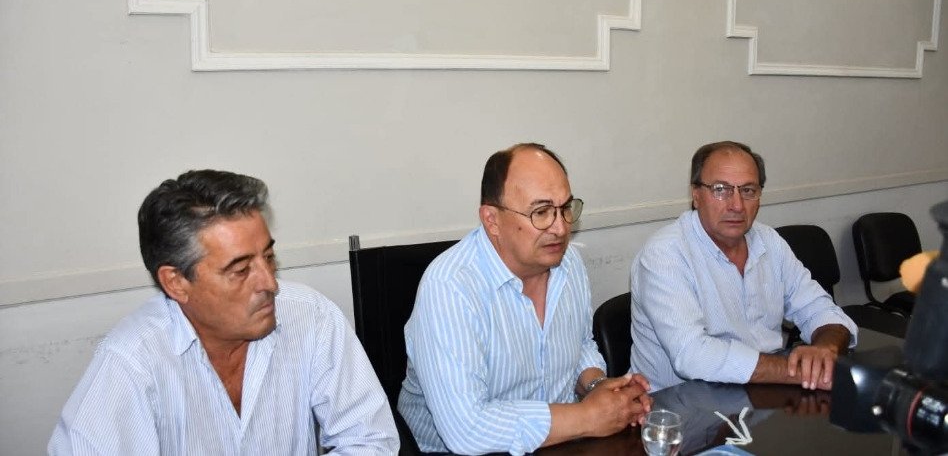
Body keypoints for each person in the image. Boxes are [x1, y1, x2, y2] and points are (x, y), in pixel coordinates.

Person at [49, 170, 398, 454]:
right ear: (176, 283)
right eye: (240, 270)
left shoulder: (310, 317)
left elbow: (370, 439)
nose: (270, 283)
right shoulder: (131, 363)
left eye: (269, 257)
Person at [399, 143, 652, 455]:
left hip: (559, 442)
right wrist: (588, 417)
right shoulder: (451, 287)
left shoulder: (569, 263)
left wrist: (599, 389)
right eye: (541, 212)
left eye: (565, 208)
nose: (560, 228)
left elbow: (580, 345)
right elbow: (467, 430)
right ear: (492, 220)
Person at [630, 141, 857, 392]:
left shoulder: (769, 241)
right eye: (721, 189)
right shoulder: (664, 254)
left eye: (748, 190)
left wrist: (826, 349)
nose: (737, 205)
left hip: (761, 392)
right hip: (679, 404)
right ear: (696, 195)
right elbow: (692, 355)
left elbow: (819, 308)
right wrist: (797, 371)